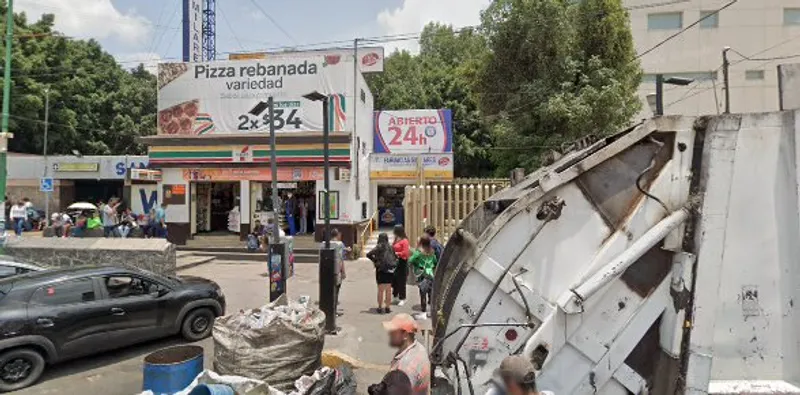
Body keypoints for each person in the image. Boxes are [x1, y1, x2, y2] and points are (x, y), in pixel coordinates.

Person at [383, 313, 430, 395]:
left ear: (405, 335)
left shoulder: (406, 367)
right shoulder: (417, 348)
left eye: (393, 331)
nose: (390, 334)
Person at [367, 233, 398, 314]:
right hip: (390, 270)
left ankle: (380, 307)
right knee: (388, 290)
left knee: (380, 290)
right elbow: (396, 257)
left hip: (380, 270)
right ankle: (387, 307)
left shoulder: (379, 246)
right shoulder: (391, 247)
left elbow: (369, 254)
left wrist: (375, 261)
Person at [409, 235, 437, 319]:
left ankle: (424, 312)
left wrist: (417, 265)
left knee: (422, 294)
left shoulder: (419, 252)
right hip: (431, 274)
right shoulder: (432, 251)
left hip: (423, 275)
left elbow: (410, 260)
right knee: (430, 294)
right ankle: (430, 312)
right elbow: (435, 262)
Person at [330, 228, 350, 315]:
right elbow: (341, 260)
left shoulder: (327, 243)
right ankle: (334, 311)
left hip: (327, 271)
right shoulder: (340, 244)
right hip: (336, 271)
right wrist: (343, 272)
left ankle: (329, 310)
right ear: (338, 235)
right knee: (336, 291)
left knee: (329, 291)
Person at [392, 225, 410, 306]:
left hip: (402, 262)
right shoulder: (396, 239)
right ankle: (395, 295)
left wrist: (397, 253)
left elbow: (406, 253)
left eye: (394, 231)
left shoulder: (405, 240)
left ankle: (402, 298)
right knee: (394, 279)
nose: (393, 232)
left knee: (401, 281)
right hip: (395, 262)